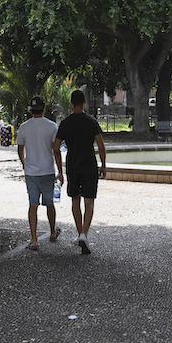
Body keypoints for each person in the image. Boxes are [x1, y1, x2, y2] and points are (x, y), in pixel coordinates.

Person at [54, 89, 107, 255]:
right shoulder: (91, 121)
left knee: (75, 199)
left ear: (71, 103)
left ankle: (80, 233)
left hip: (73, 165)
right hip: (89, 164)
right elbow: (101, 145)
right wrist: (103, 165)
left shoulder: (65, 123)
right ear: (84, 102)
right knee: (89, 201)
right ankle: (84, 233)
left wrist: (59, 168)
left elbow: (55, 147)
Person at [16, 96, 64, 249]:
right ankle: (52, 231)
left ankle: (34, 239)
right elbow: (56, 151)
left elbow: (20, 148)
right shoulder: (52, 126)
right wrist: (60, 171)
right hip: (47, 170)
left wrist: (25, 164)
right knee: (49, 204)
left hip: (31, 172)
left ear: (31, 110)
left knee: (33, 205)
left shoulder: (24, 127)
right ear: (44, 108)